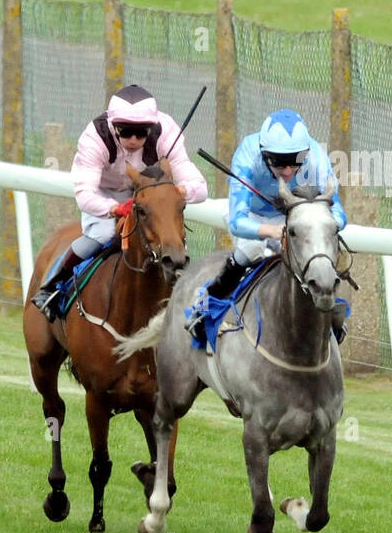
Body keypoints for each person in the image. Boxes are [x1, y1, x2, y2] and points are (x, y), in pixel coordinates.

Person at [30, 85, 208, 320]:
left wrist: (178, 191)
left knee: (171, 240)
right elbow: (85, 195)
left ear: (152, 127)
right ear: (113, 125)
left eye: (141, 132)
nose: (133, 139)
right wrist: (113, 208)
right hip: (104, 192)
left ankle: (189, 302)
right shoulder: (95, 137)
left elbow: (200, 187)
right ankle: (52, 286)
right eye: (125, 131)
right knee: (102, 235)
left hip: (147, 195)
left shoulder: (167, 133)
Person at [184, 108, 348, 346]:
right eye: (280, 163)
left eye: (297, 161)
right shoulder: (247, 156)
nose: (289, 170)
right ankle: (205, 306)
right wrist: (272, 232)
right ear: (265, 155)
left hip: (296, 217)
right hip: (253, 216)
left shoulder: (317, 157)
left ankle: (329, 313)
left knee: (315, 256)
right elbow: (237, 222)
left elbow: (338, 214)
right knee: (250, 250)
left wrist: (320, 226)